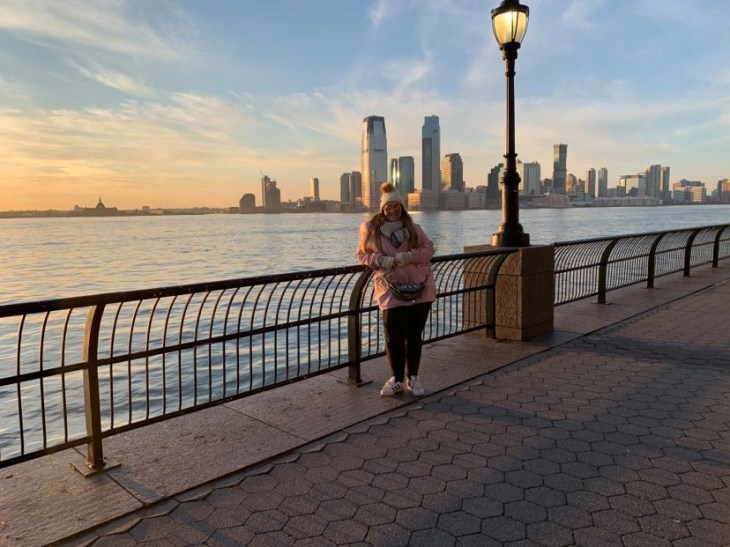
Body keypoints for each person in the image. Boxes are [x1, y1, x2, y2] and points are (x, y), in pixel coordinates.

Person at [356, 182, 437, 397]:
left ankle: (414, 378)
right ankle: (397, 379)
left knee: (414, 335)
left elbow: (429, 249)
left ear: (402, 208)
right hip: (390, 289)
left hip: (420, 289)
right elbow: (361, 255)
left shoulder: (414, 229)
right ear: (382, 209)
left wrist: (408, 256)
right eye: (389, 207)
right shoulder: (371, 230)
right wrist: (380, 259)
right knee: (393, 337)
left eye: (397, 207)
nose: (393, 211)